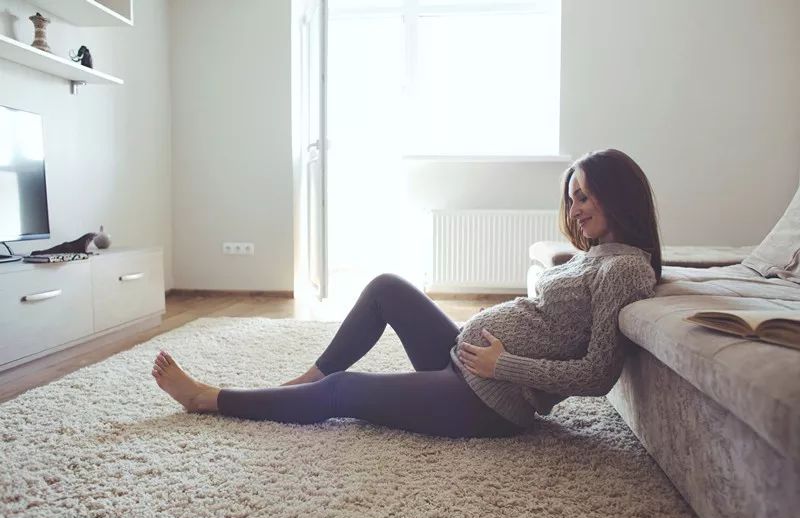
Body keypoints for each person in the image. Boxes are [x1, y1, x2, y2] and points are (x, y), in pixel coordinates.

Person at [151, 148, 661, 439]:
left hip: (487, 400)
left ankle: (208, 399)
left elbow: (597, 374)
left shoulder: (624, 270)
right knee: (385, 288)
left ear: (617, 195)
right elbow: (547, 322)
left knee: (345, 392)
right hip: (465, 361)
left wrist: (501, 366)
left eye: (584, 196)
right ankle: (305, 377)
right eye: (572, 198)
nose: (574, 209)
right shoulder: (594, 256)